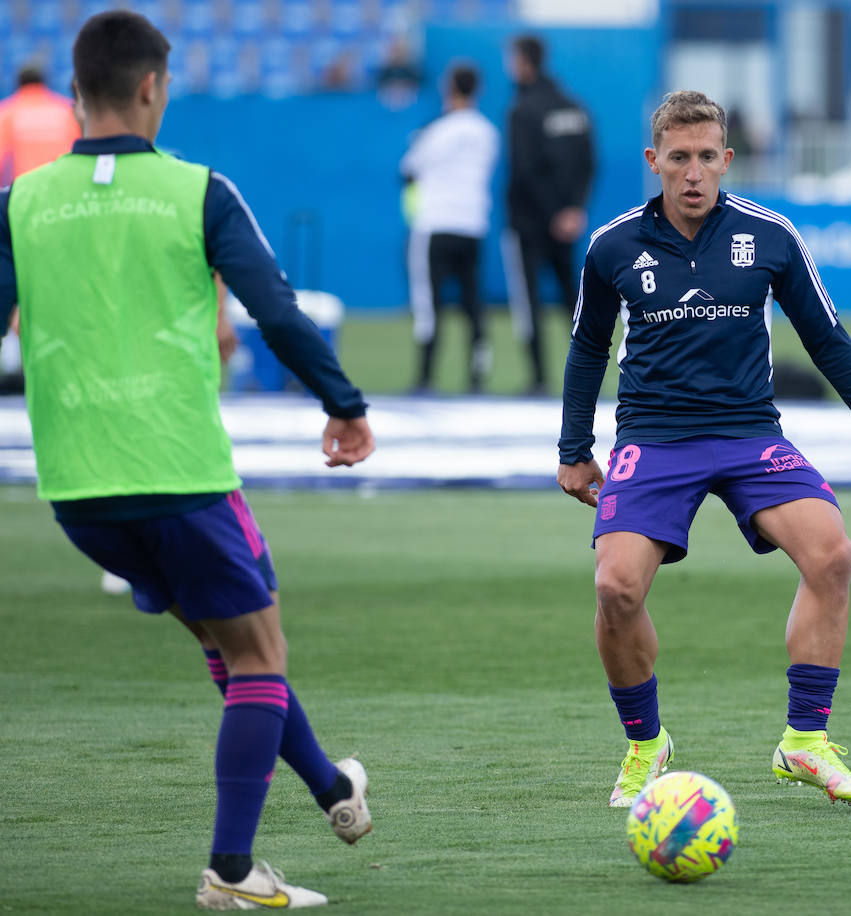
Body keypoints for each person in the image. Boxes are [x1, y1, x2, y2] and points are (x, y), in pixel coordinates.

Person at [0, 11, 377, 907]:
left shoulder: (20, 203)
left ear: (76, 93)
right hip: (178, 469)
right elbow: (278, 314)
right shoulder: (197, 190)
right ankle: (234, 871)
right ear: (150, 88)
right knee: (260, 655)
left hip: (78, 490)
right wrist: (345, 405)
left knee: (229, 637)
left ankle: (333, 788)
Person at [556, 90, 851, 809]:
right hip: (654, 437)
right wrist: (574, 447)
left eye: (707, 157)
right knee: (615, 588)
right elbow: (586, 347)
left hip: (749, 434)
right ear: (654, 162)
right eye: (679, 159)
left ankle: (805, 743)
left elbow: (825, 337)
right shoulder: (613, 245)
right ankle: (646, 744)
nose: (694, 172)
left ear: (726, 159)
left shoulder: (770, 236)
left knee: (834, 554)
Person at [504, 33, 594, 396]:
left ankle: (539, 378)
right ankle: (589, 373)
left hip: (529, 222)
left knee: (529, 301)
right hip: (566, 222)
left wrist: (554, 213)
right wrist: (572, 210)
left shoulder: (522, 110)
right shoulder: (573, 107)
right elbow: (588, 162)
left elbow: (524, 170)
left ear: (524, 61)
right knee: (574, 300)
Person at [401, 63, 499, 394]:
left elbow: (408, 169)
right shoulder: (488, 132)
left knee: (430, 302)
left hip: (436, 222)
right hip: (472, 223)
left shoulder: (436, 130)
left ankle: (426, 376)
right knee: (473, 302)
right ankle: (477, 372)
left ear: (450, 88)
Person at [0, 67, 83, 393]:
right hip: (65, 205)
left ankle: (15, 364)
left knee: (18, 284)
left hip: (25, 205)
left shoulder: (9, 112)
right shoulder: (64, 110)